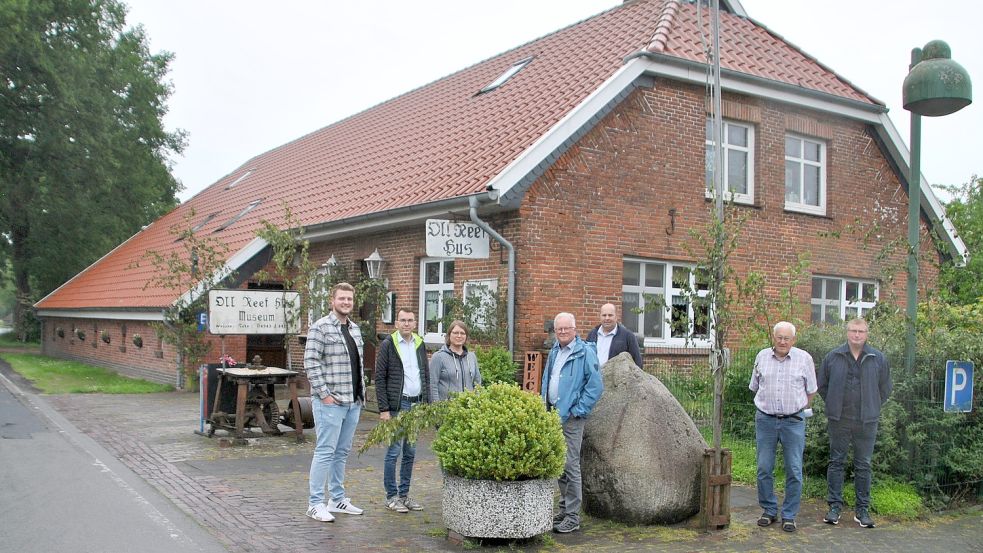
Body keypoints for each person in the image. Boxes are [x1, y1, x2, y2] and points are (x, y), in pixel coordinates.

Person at [818, 318, 892, 528]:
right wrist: (834, 404)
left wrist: (871, 405)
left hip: (866, 421)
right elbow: (822, 386)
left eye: (861, 331)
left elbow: (885, 388)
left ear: (867, 334)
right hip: (839, 420)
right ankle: (834, 507)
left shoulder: (877, 358)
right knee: (836, 462)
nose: (857, 335)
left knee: (864, 465)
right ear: (847, 332)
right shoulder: (833, 357)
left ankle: (862, 510)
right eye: (853, 331)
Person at [304, 282, 366, 522]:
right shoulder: (320, 328)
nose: (346, 303)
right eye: (342, 299)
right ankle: (314, 502)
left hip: (353, 401)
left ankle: (337, 499)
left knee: (341, 452)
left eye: (349, 299)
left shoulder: (355, 329)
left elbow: (357, 365)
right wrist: (324, 394)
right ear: (333, 300)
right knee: (325, 451)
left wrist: (360, 397)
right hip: (330, 402)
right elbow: (311, 363)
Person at [749, 321, 817, 533]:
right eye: (779, 337)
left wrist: (797, 407)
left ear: (793, 340)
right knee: (763, 468)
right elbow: (755, 386)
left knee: (794, 470)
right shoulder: (761, 357)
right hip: (766, 420)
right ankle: (769, 510)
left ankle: (789, 515)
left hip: (793, 422)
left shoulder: (804, 359)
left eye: (787, 338)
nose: (782, 341)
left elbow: (811, 390)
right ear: (773, 337)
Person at [541, 312, 604, 534]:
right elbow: (547, 379)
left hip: (572, 418)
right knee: (559, 467)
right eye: (559, 329)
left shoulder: (584, 352)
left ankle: (573, 516)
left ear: (575, 329)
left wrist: (579, 410)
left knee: (571, 466)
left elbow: (595, 386)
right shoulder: (554, 350)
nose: (563, 332)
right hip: (553, 416)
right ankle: (564, 509)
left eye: (566, 328)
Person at [375, 309, 431, 514]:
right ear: (396, 323)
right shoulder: (389, 344)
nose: (406, 324)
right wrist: (384, 409)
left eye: (410, 320)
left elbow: (425, 374)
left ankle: (404, 495)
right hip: (398, 406)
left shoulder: (419, 343)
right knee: (393, 452)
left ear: (415, 323)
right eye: (403, 320)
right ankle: (391, 496)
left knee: (410, 452)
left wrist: (427, 404)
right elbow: (380, 378)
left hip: (416, 406)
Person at [428, 320, 482, 401]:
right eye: (455, 333)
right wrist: (436, 408)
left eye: (462, 333)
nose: (459, 336)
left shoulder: (472, 357)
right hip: (447, 409)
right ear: (449, 335)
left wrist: (476, 402)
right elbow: (432, 385)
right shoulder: (438, 357)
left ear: (466, 336)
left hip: (468, 409)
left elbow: (477, 383)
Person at [586, 303, 643, 367]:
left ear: (616, 317)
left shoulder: (628, 336)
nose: (607, 318)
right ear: (600, 316)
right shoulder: (592, 334)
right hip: (594, 376)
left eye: (610, 315)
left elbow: (638, 363)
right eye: (604, 315)